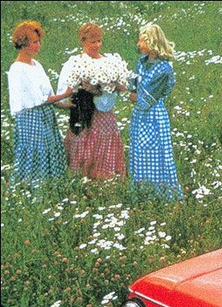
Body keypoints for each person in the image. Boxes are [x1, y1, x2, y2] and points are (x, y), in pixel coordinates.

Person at [57, 23, 126, 179]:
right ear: (83, 41)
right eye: (93, 42)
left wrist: (103, 88)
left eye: (99, 41)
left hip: (103, 111)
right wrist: (71, 101)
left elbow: (121, 86)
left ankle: (103, 179)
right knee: (82, 141)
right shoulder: (75, 62)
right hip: (83, 112)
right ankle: (82, 179)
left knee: (103, 142)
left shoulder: (109, 61)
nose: (97, 45)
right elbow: (64, 90)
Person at [7, 20, 73, 184]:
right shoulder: (18, 69)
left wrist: (68, 105)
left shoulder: (36, 65)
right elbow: (40, 100)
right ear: (23, 44)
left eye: (38, 41)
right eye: (35, 42)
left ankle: (51, 187)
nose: (39, 45)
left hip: (46, 117)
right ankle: (32, 189)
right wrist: (66, 94)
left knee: (50, 151)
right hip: (31, 119)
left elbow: (49, 96)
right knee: (36, 153)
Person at [128, 23, 182, 198]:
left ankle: (161, 194)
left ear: (152, 43)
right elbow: (132, 86)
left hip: (154, 115)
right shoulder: (141, 62)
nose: (139, 44)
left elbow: (146, 99)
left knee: (157, 153)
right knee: (140, 152)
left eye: (142, 41)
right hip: (139, 116)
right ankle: (142, 193)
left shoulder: (164, 69)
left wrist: (134, 94)